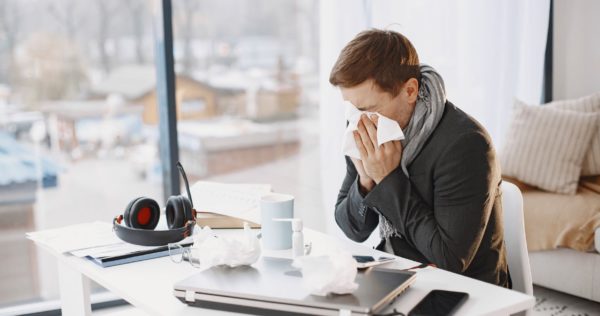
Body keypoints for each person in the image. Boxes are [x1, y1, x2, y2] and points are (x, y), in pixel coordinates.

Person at [330, 29, 510, 288]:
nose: (357, 120)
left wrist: (388, 179)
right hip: (396, 271)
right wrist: (366, 180)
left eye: (368, 109)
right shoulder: (363, 123)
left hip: (464, 288)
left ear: (410, 91)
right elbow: (353, 230)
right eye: (351, 108)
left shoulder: (466, 145)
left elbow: (450, 259)